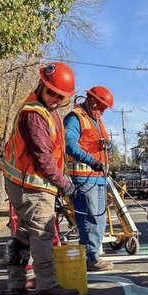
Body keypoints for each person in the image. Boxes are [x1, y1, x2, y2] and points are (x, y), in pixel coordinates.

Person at [0, 62, 80, 295]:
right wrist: (63, 182)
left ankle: (16, 284)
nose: (55, 99)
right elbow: (43, 158)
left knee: (24, 233)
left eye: (61, 96)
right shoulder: (34, 114)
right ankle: (47, 284)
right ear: (41, 86)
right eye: (52, 92)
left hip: (24, 182)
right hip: (31, 184)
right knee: (43, 231)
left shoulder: (45, 109)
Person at [64, 85, 114, 271]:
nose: (103, 110)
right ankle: (90, 258)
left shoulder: (97, 121)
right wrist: (91, 161)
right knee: (89, 219)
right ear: (92, 100)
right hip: (83, 178)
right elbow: (69, 144)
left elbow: (107, 147)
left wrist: (109, 146)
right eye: (102, 106)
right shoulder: (75, 118)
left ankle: (93, 255)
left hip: (99, 177)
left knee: (99, 220)